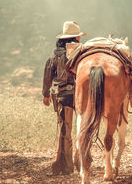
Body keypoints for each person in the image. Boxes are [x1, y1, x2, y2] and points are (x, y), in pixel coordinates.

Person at [42, 21, 86, 175]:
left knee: (65, 131)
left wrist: (46, 94)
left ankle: (66, 166)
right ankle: (82, 162)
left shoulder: (55, 55)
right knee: (84, 128)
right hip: (81, 94)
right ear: (75, 38)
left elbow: (48, 74)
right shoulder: (81, 52)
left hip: (63, 95)